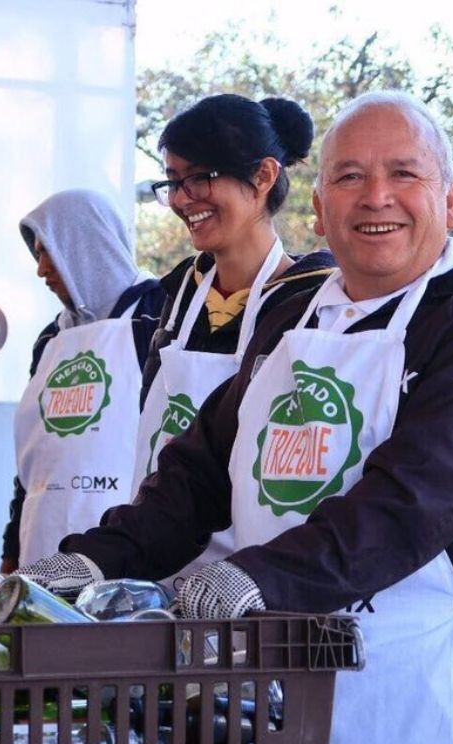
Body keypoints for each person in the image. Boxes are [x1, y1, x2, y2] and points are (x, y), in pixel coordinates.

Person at [16, 91, 453, 744]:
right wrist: (96, 560)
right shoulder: (293, 314)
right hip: (283, 670)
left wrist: (255, 579)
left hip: (436, 679)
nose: (375, 197)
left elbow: (409, 504)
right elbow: (199, 473)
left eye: (404, 174)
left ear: (450, 202)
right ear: (321, 210)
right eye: (350, 177)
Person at [133, 95, 335, 586]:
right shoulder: (174, 296)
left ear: (263, 176)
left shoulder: (315, 303)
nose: (182, 199)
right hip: (156, 565)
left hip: (256, 580)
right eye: (174, 182)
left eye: (200, 178)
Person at [0, 189, 166, 573]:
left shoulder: (159, 315)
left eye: (47, 251)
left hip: (127, 555)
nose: (41, 268)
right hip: (40, 549)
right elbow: (32, 466)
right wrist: (10, 557)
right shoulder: (49, 340)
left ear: (83, 245)